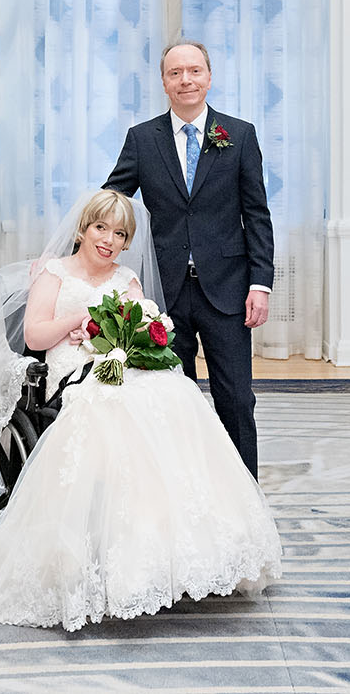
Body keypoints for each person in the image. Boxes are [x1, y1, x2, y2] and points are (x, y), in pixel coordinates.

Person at [0, 188, 281, 631]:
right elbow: (37, 335)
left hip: (125, 363)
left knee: (177, 397)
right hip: (74, 367)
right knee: (113, 408)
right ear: (83, 229)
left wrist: (139, 339)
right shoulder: (54, 274)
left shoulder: (127, 280)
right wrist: (75, 322)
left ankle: (178, 543)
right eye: (102, 228)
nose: (110, 240)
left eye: (120, 234)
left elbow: (145, 325)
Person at [105, 40, 273, 475]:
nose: (186, 80)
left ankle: (244, 493)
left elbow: (256, 214)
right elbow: (111, 203)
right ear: (163, 82)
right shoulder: (142, 139)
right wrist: (73, 263)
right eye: (175, 73)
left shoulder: (239, 135)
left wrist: (260, 284)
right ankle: (181, 494)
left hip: (228, 291)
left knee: (236, 397)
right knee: (169, 398)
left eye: (194, 71)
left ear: (209, 76)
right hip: (165, 291)